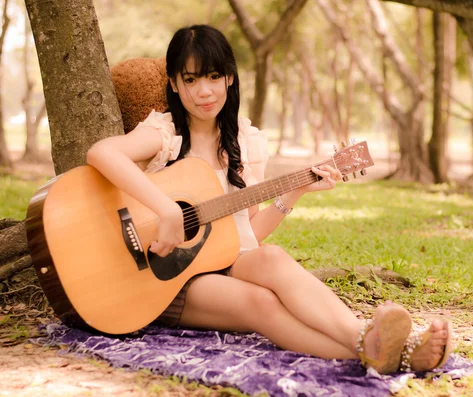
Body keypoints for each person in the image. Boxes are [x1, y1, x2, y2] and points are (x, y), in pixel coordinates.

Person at [86, 24, 452, 374]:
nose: (204, 91)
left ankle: (370, 342)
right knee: (260, 302)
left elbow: (249, 238)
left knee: (273, 256)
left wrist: (294, 192)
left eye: (214, 77)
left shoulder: (245, 143)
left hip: (222, 262)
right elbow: (102, 153)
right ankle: (387, 350)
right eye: (191, 79)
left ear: (230, 77)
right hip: (162, 277)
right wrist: (166, 209)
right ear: (174, 84)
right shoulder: (165, 134)